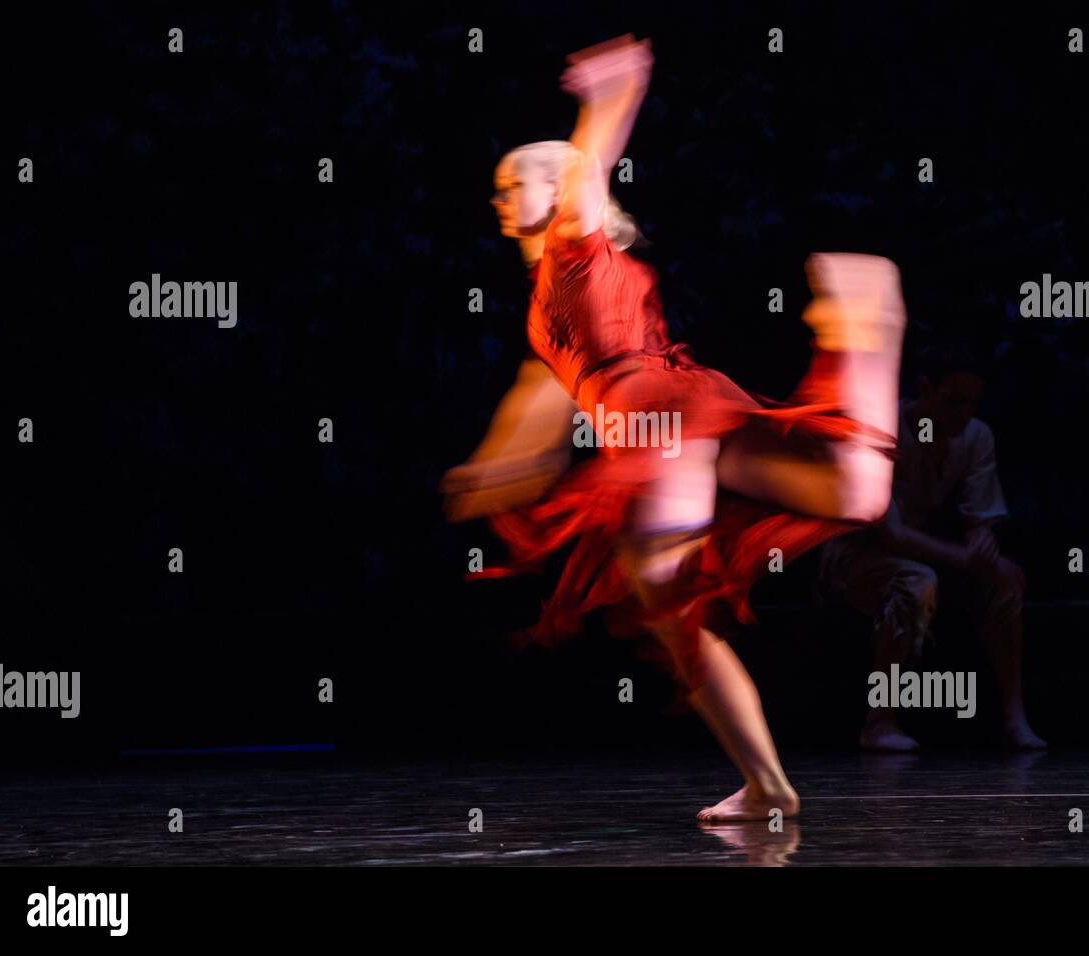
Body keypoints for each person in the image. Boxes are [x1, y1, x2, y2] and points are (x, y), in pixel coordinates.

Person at [443, 35, 908, 821]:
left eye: (510, 182)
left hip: (656, 414)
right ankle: (867, 332)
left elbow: (588, 170)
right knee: (854, 495)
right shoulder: (552, 303)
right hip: (687, 406)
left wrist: (612, 95)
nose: (495, 199)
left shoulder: (574, 252)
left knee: (668, 605)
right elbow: (543, 404)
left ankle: (767, 785)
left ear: (555, 194)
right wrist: (492, 468)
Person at [816, 343, 1048, 751]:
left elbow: (980, 515)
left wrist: (984, 546)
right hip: (853, 555)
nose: (963, 413)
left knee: (1006, 582)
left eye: (971, 403)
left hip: (920, 552)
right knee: (916, 580)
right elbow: (890, 534)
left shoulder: (975, 435)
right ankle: (879, 720)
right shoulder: (878, 430)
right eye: (953, 400)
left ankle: (1014, 716)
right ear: (925, 387)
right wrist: (967, 558)